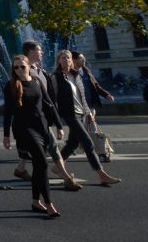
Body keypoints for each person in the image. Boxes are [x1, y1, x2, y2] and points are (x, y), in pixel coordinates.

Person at [14, 41, 80, 190]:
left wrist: (57, 121)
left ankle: (20, 169)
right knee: (52, 145)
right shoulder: (23, 71)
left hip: (44, 115)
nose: (42, 52)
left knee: (41, 147)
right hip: (33, 117)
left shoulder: (41, 70)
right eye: (39, 50)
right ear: (30, 52)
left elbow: (48, 99)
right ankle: (66, 178)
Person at [49, 50, 121, 186]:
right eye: (63, 58)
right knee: (88, 143)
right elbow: (52, 98)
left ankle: (57, 167)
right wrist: (57, 120)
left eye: (68, 58)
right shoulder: (55, 77)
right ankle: (102, 175)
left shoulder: (76, 75)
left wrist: (88, 113)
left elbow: (82, 97)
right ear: (58, 60)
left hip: (81, 113)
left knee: (73, 143)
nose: (66, 60)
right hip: (69, 114)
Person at [4, 54, 62, 217]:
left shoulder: (36, 82)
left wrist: (58, 125)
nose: (19, 70)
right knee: (43, 163)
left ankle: (36, 201)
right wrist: (6, 135)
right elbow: (7, 112)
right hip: (24, 129)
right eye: (16, 67)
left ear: (29, 66)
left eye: (22, 66)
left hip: (42, 127)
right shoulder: (11, 85)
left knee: (38, 166)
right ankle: (49, 203)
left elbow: (48, 104)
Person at [73, 53, 113, 158]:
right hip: (78, 107)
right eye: (81, 58)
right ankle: (73, 147)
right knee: (82, 130)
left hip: (90, 105)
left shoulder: (86, 71)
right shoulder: (71, 74)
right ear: (74, 60)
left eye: (83, 57)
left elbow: (96, 86)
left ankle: (100, 152)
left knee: (92, 128)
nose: (84, 59)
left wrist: (106, 94)